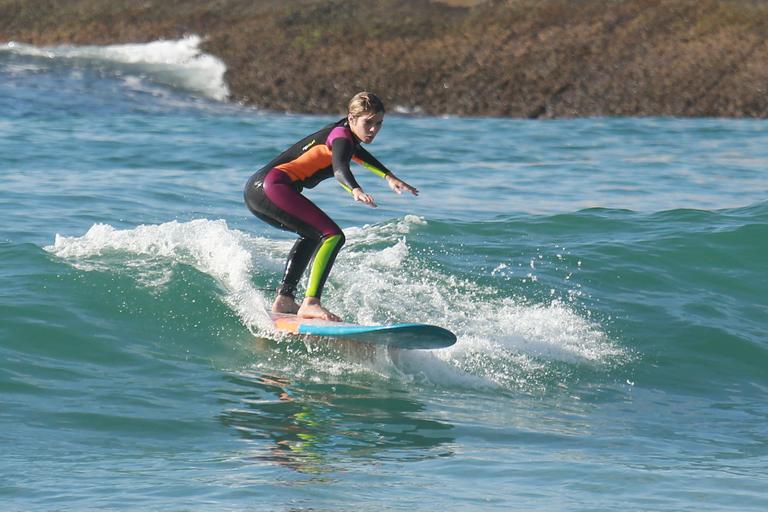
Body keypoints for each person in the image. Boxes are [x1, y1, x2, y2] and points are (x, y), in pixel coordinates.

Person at [244, 92, 418, 321]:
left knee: (312, 235)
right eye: (368, 122)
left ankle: (285, 299)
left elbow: (354, 154)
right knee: (333, 235)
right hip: (271, 186)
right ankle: (311, 303)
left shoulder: (344, 135)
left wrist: (388, 176)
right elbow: (340, 168)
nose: (374, 129)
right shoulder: (341, 137)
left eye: (379, 124)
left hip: (261, 188)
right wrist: (354, 189)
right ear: (352, 118)